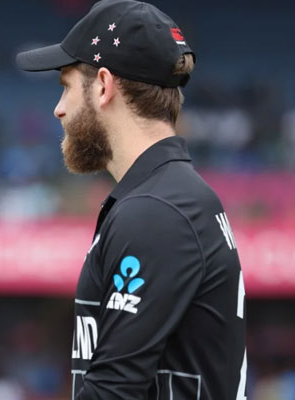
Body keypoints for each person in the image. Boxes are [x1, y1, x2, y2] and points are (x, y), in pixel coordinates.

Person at [16, 1, 246, 399]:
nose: (58, 110)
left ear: (104, 86)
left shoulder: (156, 211)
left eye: (66, 87)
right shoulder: (169, 197)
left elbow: (112, 392)